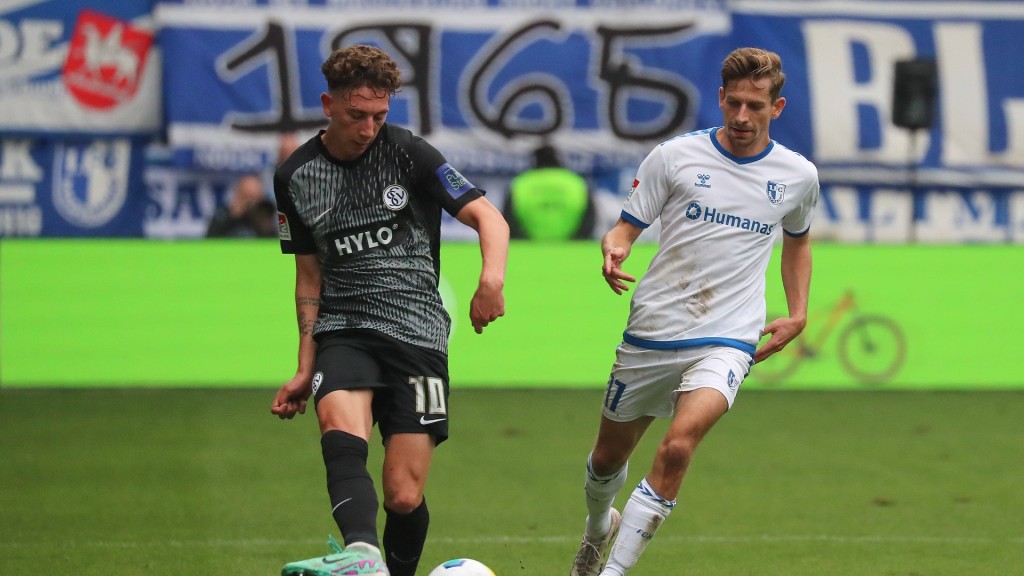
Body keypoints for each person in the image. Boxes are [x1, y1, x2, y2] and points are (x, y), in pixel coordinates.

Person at [569, 47, 819, 576]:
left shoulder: (797, 176)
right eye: (734, 104)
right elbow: (625, 227)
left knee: (679, 446)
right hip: (653, 331)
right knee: (607, 459)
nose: (743, 117)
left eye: (756, 105)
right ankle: (596, 530)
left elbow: (797, 242)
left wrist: (798, 312)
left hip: (728, 336)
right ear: (721, 99)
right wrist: (614, 248)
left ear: (778, 107)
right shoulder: (673, 157)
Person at [270, 45, 509, 576]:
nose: (368, 127)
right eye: (357, 115)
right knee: (339, 424)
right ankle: (361, 553)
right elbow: (309, 277)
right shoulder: (295, 176)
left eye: (379, 115)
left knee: (403, 494)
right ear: (328, 104)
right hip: (345, 327)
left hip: (417, 333)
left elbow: (490, 218)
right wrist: (305, 365)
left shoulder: (409, 153)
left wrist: (490, 280)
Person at [502, 143, 596, 240]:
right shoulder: (576, 182)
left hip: (528, 250)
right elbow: (589, 219)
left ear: (534, 160)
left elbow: (508, 219)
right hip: (572, 250)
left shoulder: (520, 183)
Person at [206, 173, 277, 238]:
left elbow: (272, 243)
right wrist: (233, 216)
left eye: (255, 198)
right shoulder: (223, 216)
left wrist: (263, 223)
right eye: (247, 196)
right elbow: (210, 241)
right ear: (238, 195)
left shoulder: (263, 218)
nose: (251, 202)